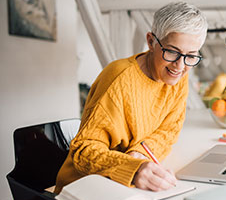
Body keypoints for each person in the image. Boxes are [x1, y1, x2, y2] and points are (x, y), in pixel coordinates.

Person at [54, 2, 207, 194]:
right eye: (172, 52)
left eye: (191, 56)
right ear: (151, 42)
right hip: (82, 188)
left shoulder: (179, 76)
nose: (179, 65)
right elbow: (83, 151)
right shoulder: (119, 79)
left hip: (125, 188)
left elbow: (169, 129)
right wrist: (132, 168)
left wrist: (141, 153)